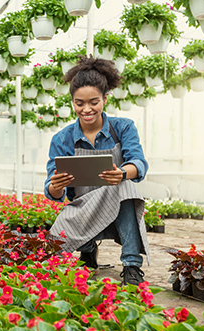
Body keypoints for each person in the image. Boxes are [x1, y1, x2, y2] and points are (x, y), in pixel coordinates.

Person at [44, 56, 150, 286]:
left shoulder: (123, 128)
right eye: (79, 103)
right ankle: (88, 250)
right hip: (83, 207)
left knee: (125, 188)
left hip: (118, 205)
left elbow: (139, 163)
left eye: (93, 101)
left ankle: (132, 266)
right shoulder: (62, 139)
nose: (86, 109)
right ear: (72, 101)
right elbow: (52, 192)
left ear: (105, 98)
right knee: (54, 240)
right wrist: (57, 185)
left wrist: (122, 173)